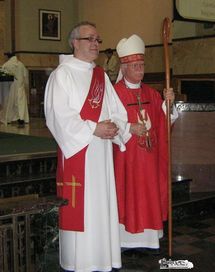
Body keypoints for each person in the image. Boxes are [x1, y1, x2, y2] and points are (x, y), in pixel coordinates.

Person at [44, 21, 131, 272]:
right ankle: (78, 261)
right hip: (78, 151)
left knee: (100, 203)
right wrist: (94, 128)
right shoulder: (63, 74)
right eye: (89, 39)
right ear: (74, 42)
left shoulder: (100, 75)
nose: (95, 44)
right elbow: (57, 115)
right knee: (81, 205)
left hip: (101, 153)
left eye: (97, 40)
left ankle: (102, 257)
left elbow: (117, 111)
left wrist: (115, 127)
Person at [113, 34, 178, 253]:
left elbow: (163, 121)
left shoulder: (151, 92)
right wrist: (129, 127)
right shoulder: (115, 93)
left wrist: (168, 104)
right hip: (126, 159)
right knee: (127, 195)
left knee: (148, 193)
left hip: (149, 159)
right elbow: (108, 121)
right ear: (124, 67)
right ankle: (124, 240)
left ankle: (149, 238)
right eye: (135, 66)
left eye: (142, 65)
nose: (140, 70)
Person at [0, 54, 29, 127]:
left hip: (13, 85)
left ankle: (9, 118)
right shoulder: (21, 64)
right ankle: (21, 118)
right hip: (21, 85)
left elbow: (3, 70)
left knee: (11, 102)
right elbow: (25, 75)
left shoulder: (9, 63)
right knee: (20, 103)